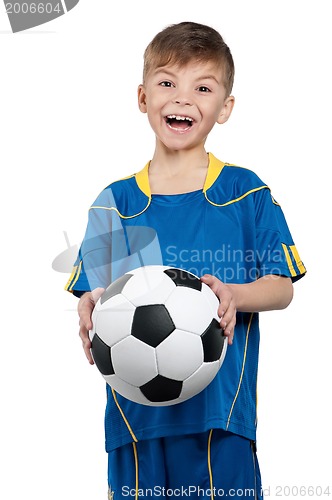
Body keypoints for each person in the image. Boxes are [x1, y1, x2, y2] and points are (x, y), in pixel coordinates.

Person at [65, 21, 306, 500]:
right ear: (142, 97)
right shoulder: (115, 204)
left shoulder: (244, 192)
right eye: (167, 83)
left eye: (203, 87)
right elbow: (95, 291)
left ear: (225, 108)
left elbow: (283, 286)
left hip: (221, 419)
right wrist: (91, 302)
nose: (182, 98)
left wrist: (235, 294)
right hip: (136, 424)